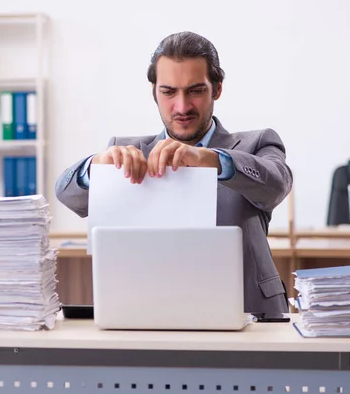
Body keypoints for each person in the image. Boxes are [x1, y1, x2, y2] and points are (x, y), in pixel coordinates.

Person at [55, 31, 293, 314]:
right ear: (154, 92)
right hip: (149, 313)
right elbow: (66, 193)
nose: (181, 107)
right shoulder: (125, 151)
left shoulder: (256, 144)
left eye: (195, 90)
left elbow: (277, 183)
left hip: (247, 314)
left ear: (216, 89)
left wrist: (212, 160)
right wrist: (94, 167)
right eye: (169, 92)